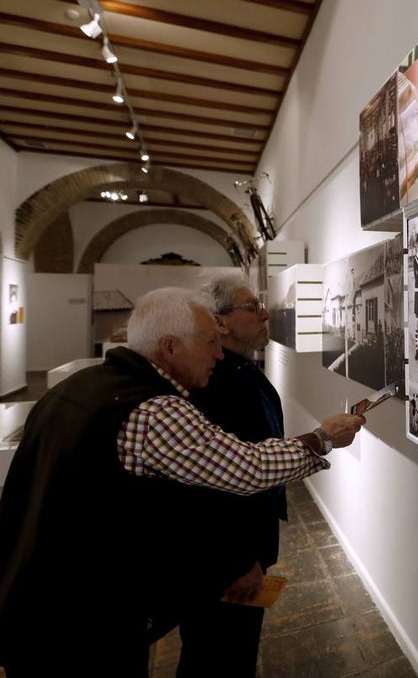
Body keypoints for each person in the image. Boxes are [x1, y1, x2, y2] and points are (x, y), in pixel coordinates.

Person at [0, 287, 365, 675]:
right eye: (211, 342)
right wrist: (323, 438)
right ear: (170, 347)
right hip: (80, 622)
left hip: (33, 601)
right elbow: (248, 468)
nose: (218, 353)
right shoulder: (152, 410)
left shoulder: (75, 390)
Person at [172, 278, 282, 677]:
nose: (265, 314)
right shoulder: (210, 384)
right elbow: (210, 486)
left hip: (240, 549)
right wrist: (238, 560)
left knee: (230, 652)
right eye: (252, 307)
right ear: (219, 323)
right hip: (226, 561)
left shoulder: (238, 373)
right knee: (219, 656)